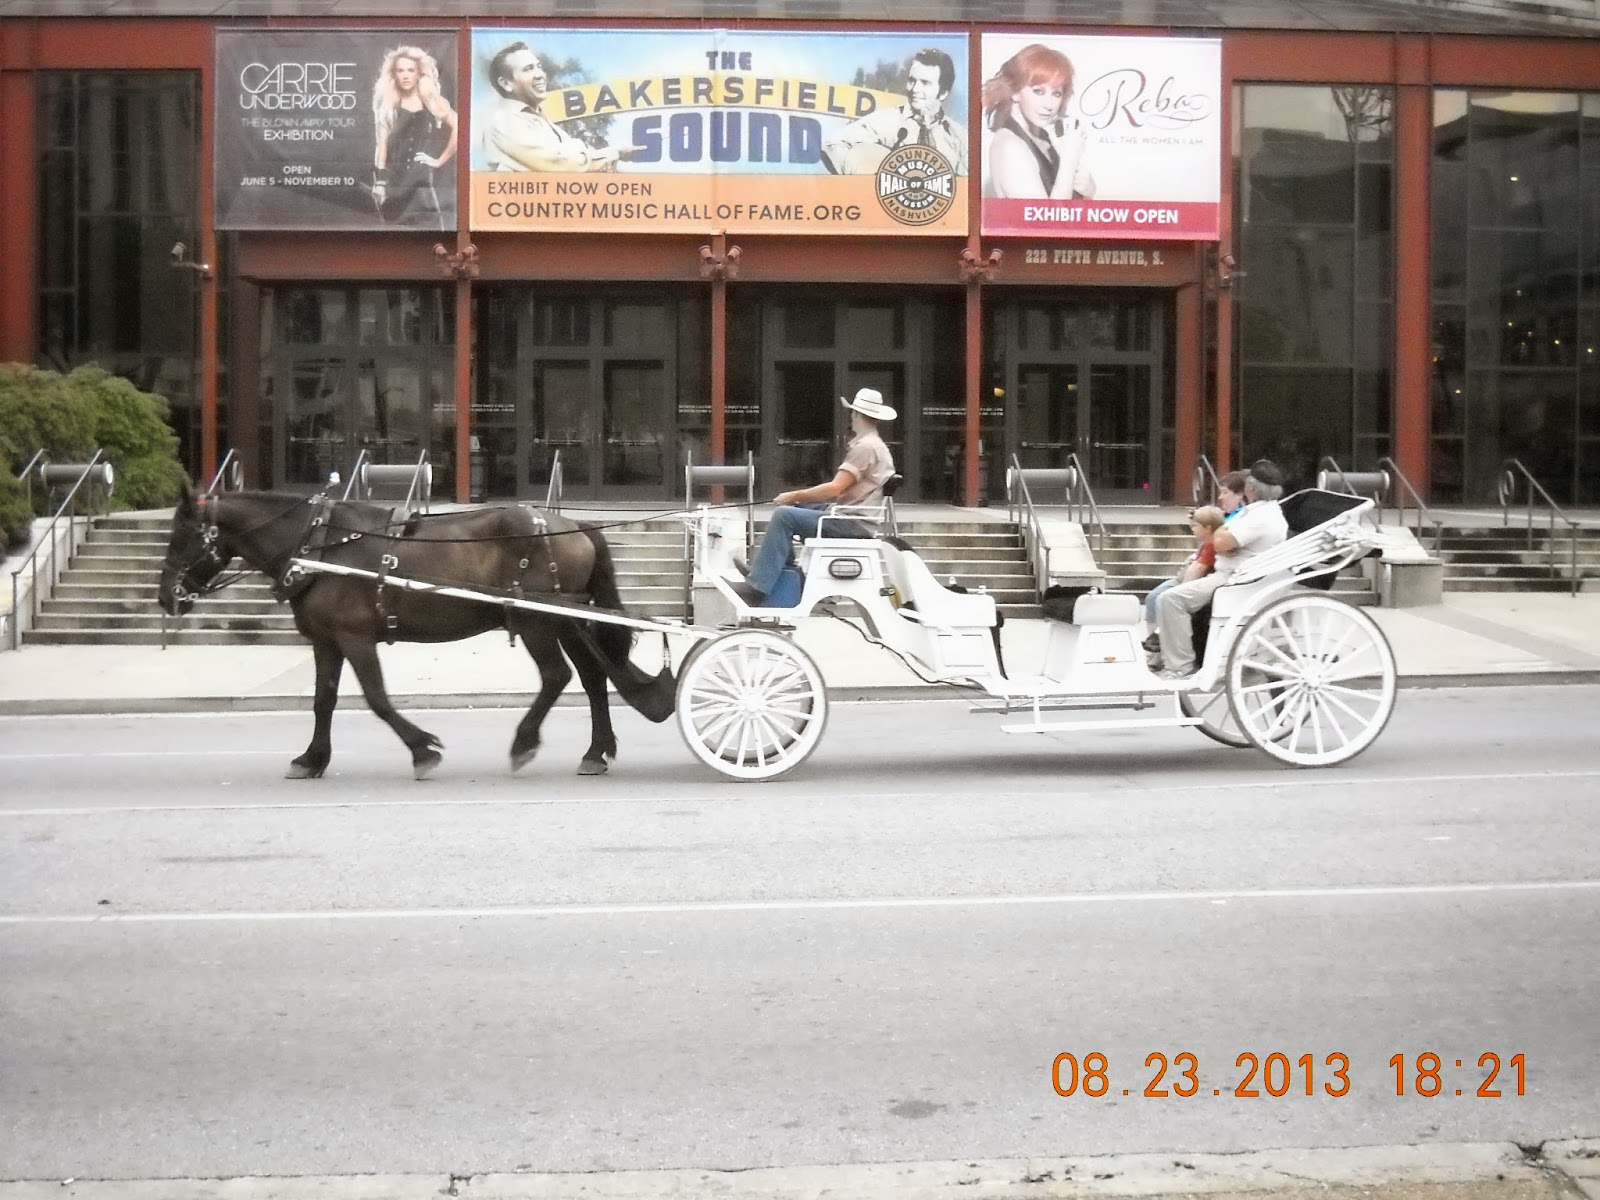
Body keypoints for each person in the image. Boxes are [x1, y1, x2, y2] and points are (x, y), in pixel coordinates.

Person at [734, 388, 897, 605]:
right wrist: (799, 499)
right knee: (795, 510)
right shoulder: (875, 445)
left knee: (784, 515)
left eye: (852, 413)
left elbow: (836, 488)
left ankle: (757, 587)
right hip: (850, 518)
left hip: (852, 522)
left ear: (857, 414)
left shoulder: (866, 447)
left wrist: (794, 495)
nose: (851, 417)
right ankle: (773, 574)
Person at [1153, 461, 1288, 678]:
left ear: (1251, 488)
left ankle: (1180, 666)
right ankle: (1171, 655)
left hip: (1233, 578)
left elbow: (1220, 543)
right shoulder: (1260, 513)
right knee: (1168, 596)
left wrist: (1220, 531)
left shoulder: (1260, 517)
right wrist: (1222, 535)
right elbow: (1222, 541)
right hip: (1231, 574)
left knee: (1169, 599)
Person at [484, 42, 638, 172]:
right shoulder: (504, 121)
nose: (540, 75)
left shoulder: (543, 122)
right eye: (528, 69)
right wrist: (614, 152)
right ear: (506, 83)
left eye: (539, 67)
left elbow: (576, 155)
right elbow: (562, 163)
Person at [822, 48, 967, 176]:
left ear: (943, 93)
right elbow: (833, 143)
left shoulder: (960, 138)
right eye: (912, 80)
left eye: (925, 83)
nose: (915, 89)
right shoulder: (886, 121)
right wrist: (867, 180)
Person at [981, 43, 1095, 200]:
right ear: (1015, 92)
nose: (1049, 105)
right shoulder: (1010, 144)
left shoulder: (1043, 138)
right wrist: (1069, 162)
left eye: (1056, 94)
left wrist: (1088, 191)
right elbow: (1044, 215)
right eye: (1038, 91)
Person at [371, 46, 458, 229]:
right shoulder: (388, 105)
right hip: (394, 184)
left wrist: (440, 160)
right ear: (394, 74)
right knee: (393, 237)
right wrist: (380, 182)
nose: (405, 76)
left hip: (422, 183)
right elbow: (382, 145)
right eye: (400, 70)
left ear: (419, 73)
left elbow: (459, 125)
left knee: (431, 234)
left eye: (410, 70)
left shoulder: (431, 102)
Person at [1144, 504, 1226, 628]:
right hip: (1183, 579)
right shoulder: (1207, 542)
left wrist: (1181, 589)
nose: (1192, 529)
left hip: (1184, 582)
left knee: (1153, 598)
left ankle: (1156, 632)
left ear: (1207, 528)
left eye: (1195, 526)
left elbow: (1198, 569)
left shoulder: (1211, 545)